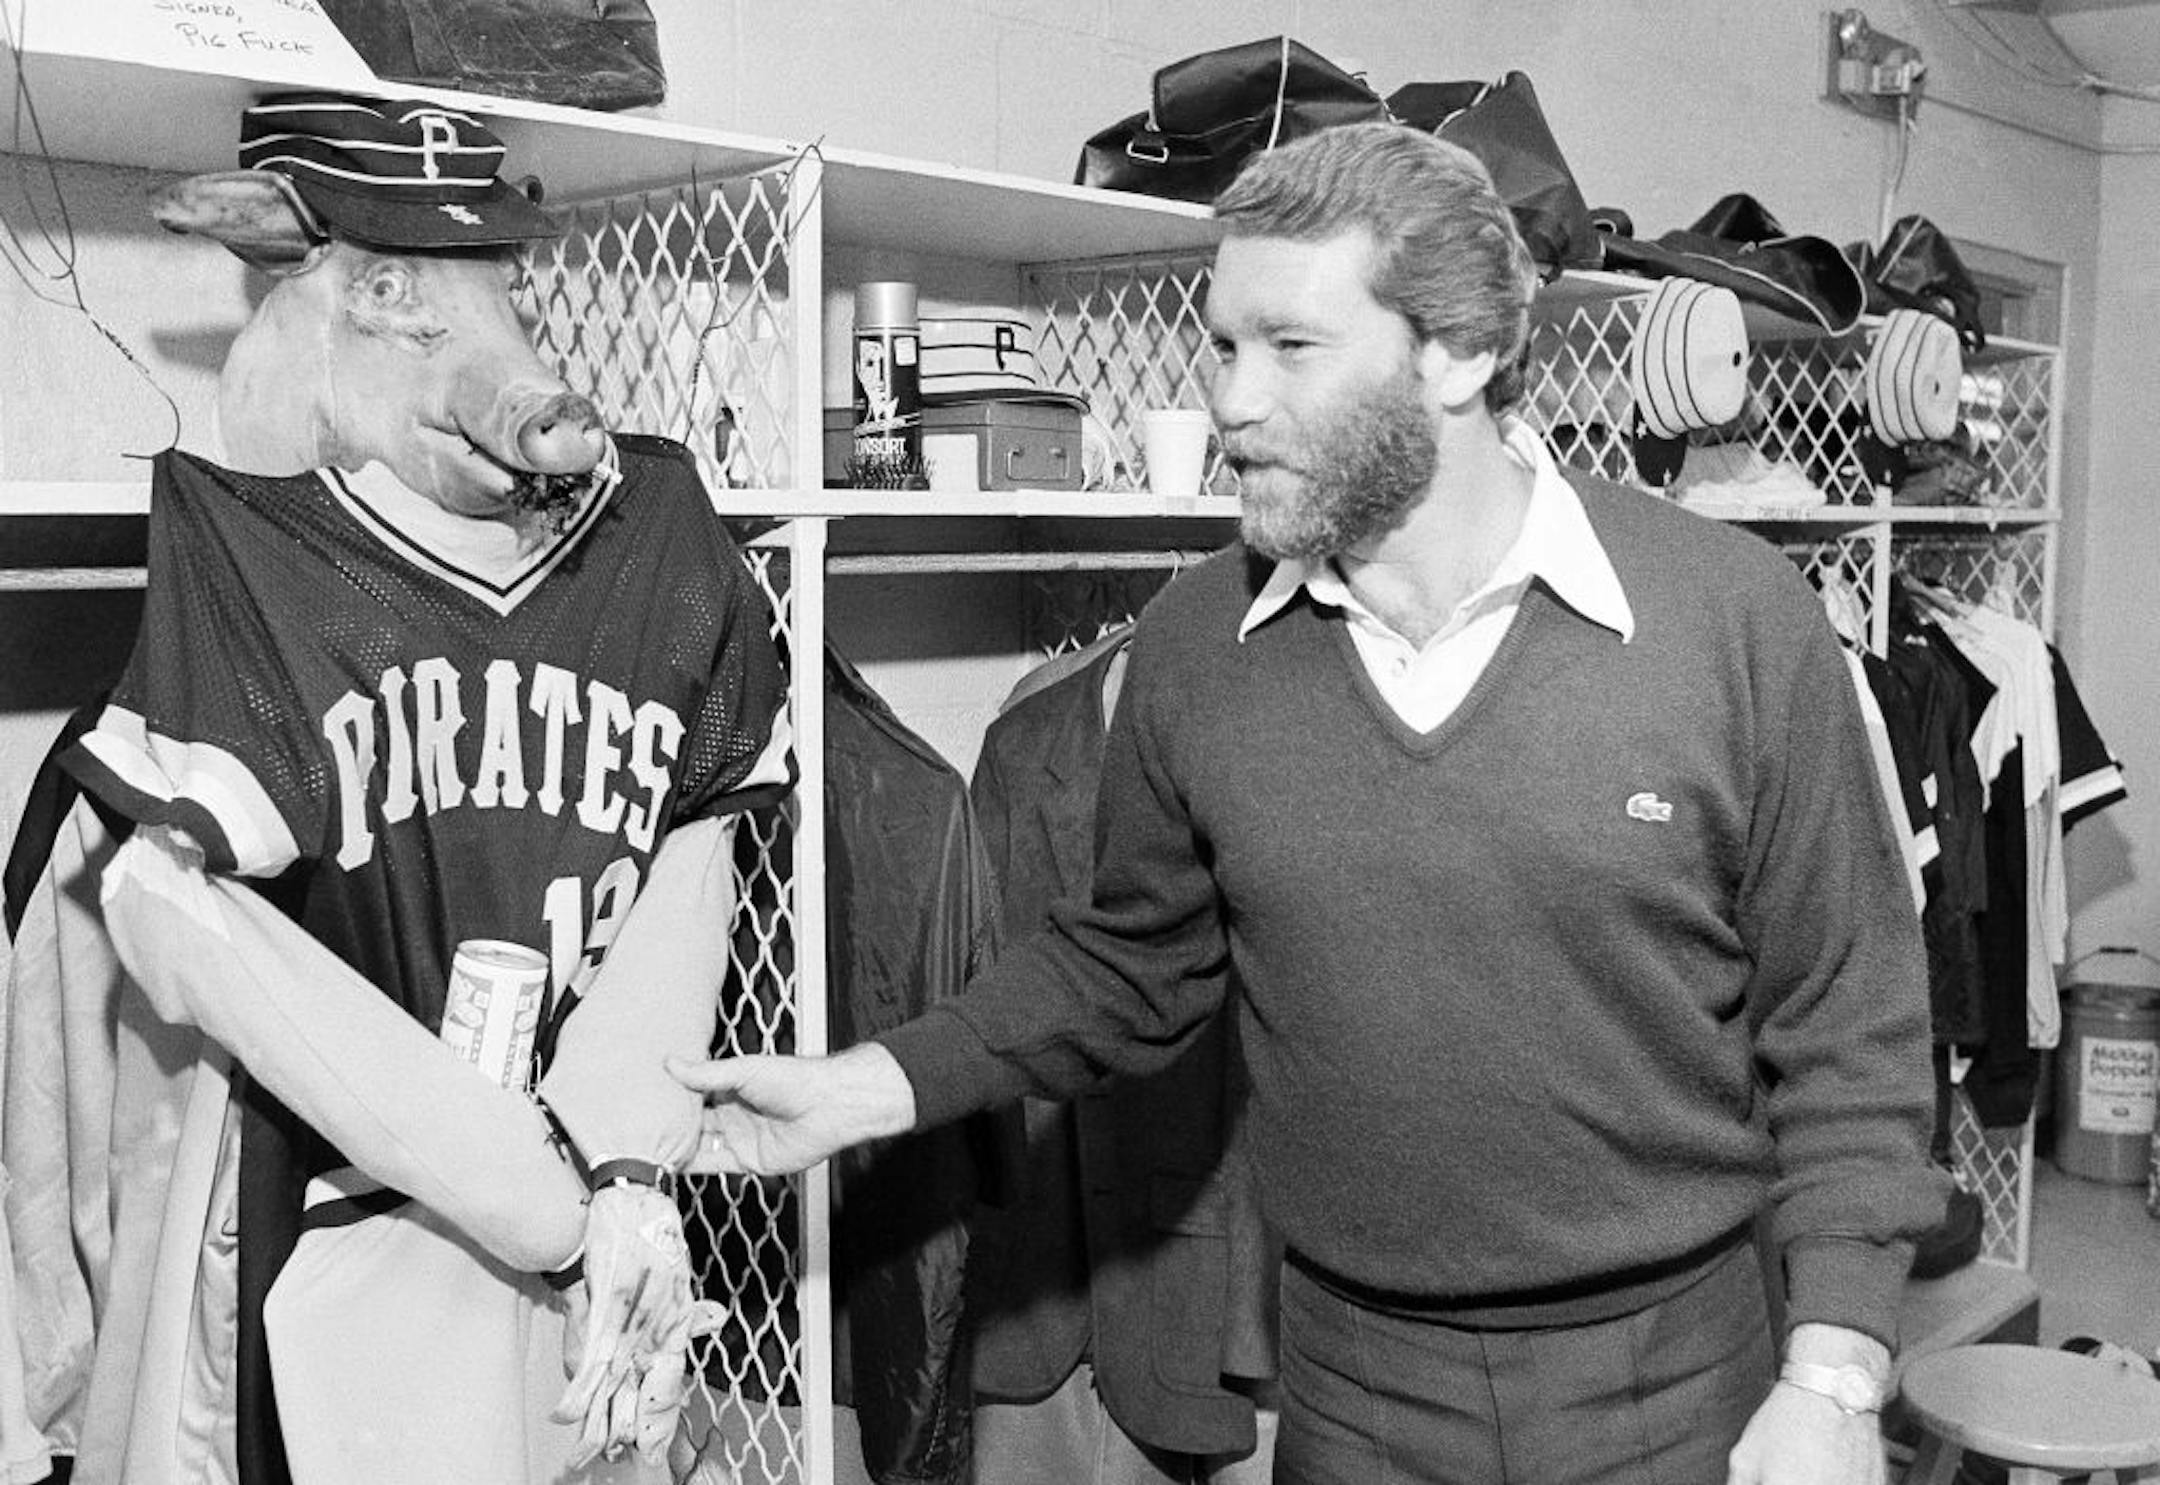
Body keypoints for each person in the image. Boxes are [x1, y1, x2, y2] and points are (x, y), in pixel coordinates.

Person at [669, 122, 1947, 1485]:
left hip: (1674, 1374)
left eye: (1291, 347)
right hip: (1353, 1390)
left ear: (1457, 353)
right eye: (1222, 347)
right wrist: (866, 1085)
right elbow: (1129, 966)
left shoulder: (1733, 624)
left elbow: (1851, 1028)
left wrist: (1834, 1374)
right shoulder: (1193, 650)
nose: (1231, 400)